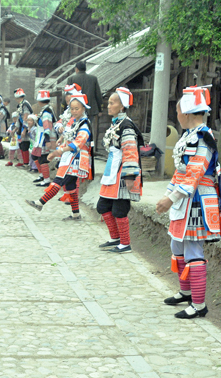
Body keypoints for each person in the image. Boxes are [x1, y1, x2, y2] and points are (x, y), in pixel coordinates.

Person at [156, 85, 221, 319]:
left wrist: (171, 197)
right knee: (177, 246)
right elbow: (181, 172)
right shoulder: (189, 136)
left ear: (185, 112)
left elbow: (195, 174)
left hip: (197, 200)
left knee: (193, 249)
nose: (176, 116)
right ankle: (186, 292)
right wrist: (168, 194)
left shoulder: (203, 138)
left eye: (177, 112)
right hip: (183, 199)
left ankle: (199, 304)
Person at [25, 94, 92, 221]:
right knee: (71, 186)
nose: (73, 111)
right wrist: (61, 141)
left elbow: (78, 143)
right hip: (69, 157)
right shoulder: (74, 122)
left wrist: (58, 152)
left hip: (75, 159)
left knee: (59, 180)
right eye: (72, 108)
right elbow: (67, 135)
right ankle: (76, 214)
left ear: (83, 108)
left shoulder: (84, 124)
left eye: (77, 108)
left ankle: (40, 203)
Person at [97, 88, 142, 254]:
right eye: (108, 102)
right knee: (103, 206)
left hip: (123, 172)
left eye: (112, 103)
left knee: (119, 209)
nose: (108, 106)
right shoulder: (116, 124)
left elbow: (130, 151)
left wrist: (130, 176)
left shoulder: (127, 126)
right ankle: (115, 238)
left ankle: (125, 243)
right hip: (112, 171)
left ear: (122, 106)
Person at [54, 83, 82, 203]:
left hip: (76, 147)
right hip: (67, 144)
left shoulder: (79, 111)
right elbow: (60, 122)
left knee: (73, 174)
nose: (67, 97)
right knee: (64, 170)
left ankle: (73, 197)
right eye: (66, 95)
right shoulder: (67, 111)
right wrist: (60, 130)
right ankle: (68, 195)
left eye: (70, 94)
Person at [66, 61, 103, 127]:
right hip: (90, 109)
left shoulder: (71, 79)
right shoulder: (93, 78)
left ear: (76, 69)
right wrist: (100, 109)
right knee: (88, 127)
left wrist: (65, 108)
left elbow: (67, 95)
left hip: (75, 109)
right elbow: (98, 95)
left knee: (75, 127)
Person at [33, 90, 56, 187]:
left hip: (44, 138)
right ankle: (42, 175)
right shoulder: (45, 110)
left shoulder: (46, 112)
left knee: (43, 158)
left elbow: (47, 127)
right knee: (35, 156)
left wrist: (47, 140)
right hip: (40, 137)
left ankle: (46, 180)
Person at [14, 88, 33, 168]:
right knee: (21, 144)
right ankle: (23, 162)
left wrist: (25, 129)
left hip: (25, 127)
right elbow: (19, 118)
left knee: (25, 145)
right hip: (21, 127)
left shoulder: (25, 105)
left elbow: (26, 118)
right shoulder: (20, 105)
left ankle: (26, 163)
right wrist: (16, 128)